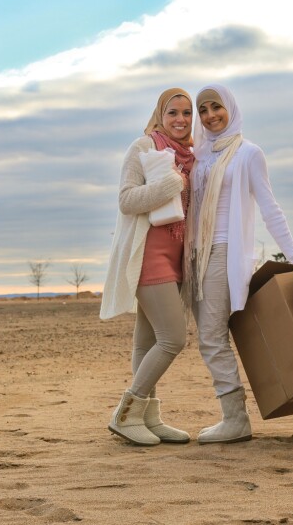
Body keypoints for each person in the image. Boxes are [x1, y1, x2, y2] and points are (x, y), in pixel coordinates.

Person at [187, 83, 293, 444]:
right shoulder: (198, 155)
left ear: (231, 108)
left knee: (211, 337)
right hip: (196, 255)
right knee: (211, 336)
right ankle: (232, 415)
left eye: (217, 107)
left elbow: (269, 207)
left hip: (225, 250)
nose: (210, 115)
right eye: (203, 109)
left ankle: (235, 418)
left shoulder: (248, 153)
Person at [100, 88, 195, 446]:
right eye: (173, 112)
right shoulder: (142, 148)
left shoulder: (192, 156)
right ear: (160, 114)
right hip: (147, 255)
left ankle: (148, 418)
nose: (180, 120)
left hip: (176, 257)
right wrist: (171, 182)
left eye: (187, 113)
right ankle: (126, 413)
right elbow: (126, 201)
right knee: (173, 338)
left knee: (148, 340)